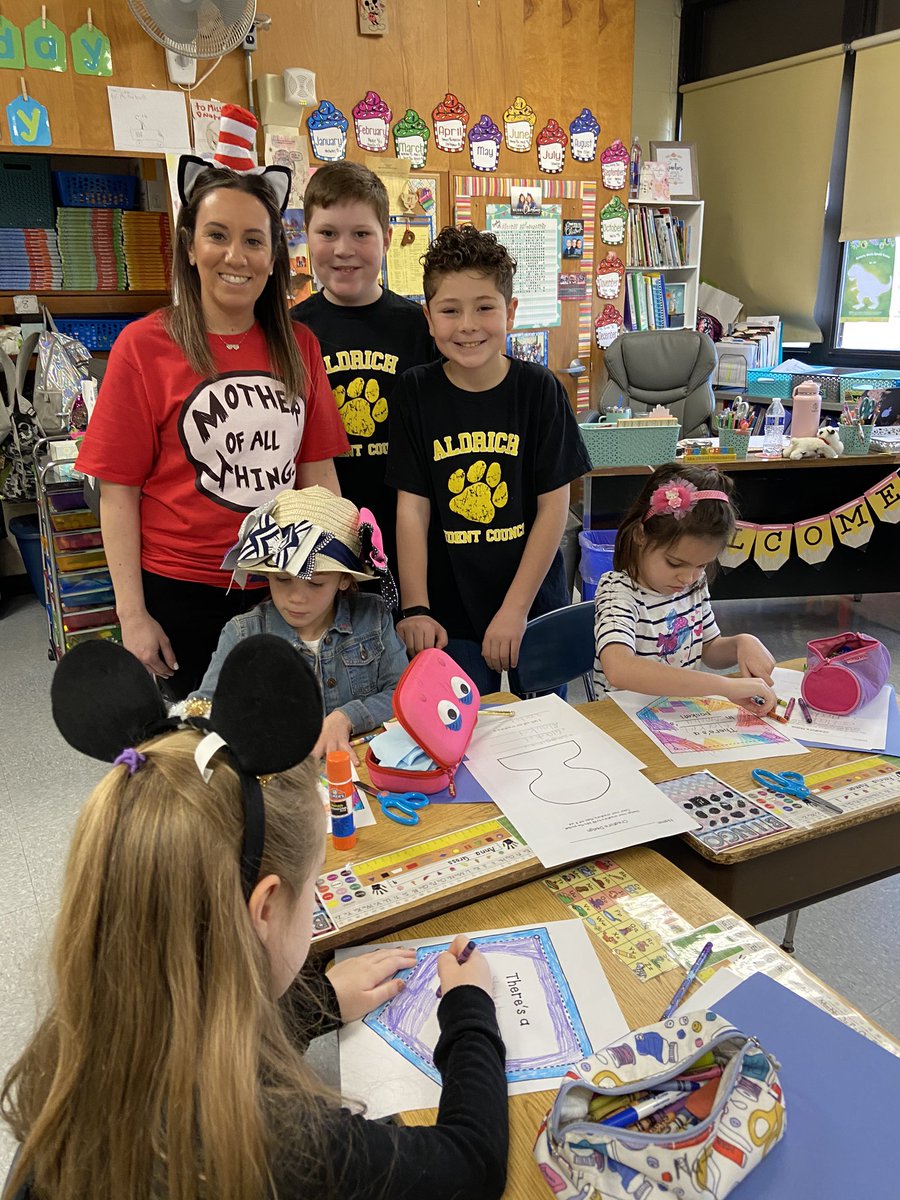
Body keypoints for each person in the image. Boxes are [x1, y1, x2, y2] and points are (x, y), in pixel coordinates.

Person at [1, 635, 508, 1200]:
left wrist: (312, 1006)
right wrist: (469, 1011)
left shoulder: (70, 1066)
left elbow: (194, 1013)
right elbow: (471, 1165)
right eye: (311, 889)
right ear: (264, 908)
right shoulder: (288, 1143)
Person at [76, 105, 349, 700]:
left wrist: (337, 563)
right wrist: (131, 615)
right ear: (190, 245)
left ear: (273, 255)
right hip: (181, 590)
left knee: (286, 736)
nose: (236, 256)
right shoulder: (142, 347)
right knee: (205, 753)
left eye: (254, 240)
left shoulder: (299, 344)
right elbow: (117, 494)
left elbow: (318, 471)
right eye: (217, 235)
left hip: (283, 581)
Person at [387, 224, 591, 694]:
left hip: (533, 603)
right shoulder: (415, 392)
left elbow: (553, 510)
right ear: (428, 317)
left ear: (510, 311)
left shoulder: (540, 391)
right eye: (450, 310)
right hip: (449, 612)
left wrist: (516, 609)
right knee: (455, 742)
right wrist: (416, 607)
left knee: (546, 735)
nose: (467, 325)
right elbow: (412, 510)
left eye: (484, 307)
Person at [187, 486, 407, 760]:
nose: (296, 598)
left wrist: (346, 717)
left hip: (360, 771)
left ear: (344, 580)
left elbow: (403, 695)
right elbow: (204, 708)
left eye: (315, 583)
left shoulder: (372, 616)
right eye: (282, 579)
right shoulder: (242, 633)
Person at [292, 162, 435, 571]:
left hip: (408, 525)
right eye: (327, 233)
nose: (343, 249)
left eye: (361, 233)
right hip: (320, 533)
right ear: (307, 237)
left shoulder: (419, 326)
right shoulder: (290, 332)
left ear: (386, 238)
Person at [592, 463, 777, 710]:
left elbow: (708, 648)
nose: (688, 578)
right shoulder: (618, 592)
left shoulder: (694, 586)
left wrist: (741, 643)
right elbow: (620, 669)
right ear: (641, 536)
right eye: (674, 563)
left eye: (701, 565)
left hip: (677, 716)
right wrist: (724, 687)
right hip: (623, 720)